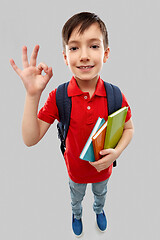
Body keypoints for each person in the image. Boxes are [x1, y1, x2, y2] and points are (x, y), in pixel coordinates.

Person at [10, 12, 134, 237]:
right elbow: (30, 139)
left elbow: (129, 128)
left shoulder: (115, 95)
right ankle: (76, 214)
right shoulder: (59, 97)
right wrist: (32, 95)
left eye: (94, 46)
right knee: (76, 197)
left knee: (101, 194)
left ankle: (98, 210)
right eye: (74, 48)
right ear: (65, 57)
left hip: (103, 171)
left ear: (105, 53)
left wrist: (117, 152)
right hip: (75, 172)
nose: (84, 55)